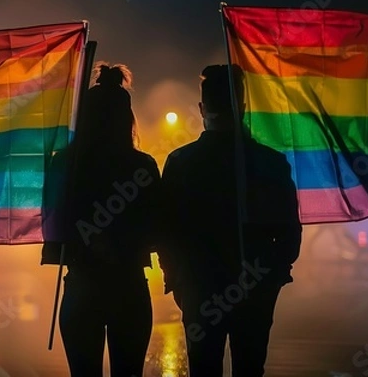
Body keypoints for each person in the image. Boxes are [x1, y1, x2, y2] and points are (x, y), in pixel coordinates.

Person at [159, 64, 302, 377]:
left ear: (202, 108)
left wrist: (179, 281)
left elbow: (165, 231)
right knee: (250, 369)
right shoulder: (270, 162)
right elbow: (290, 232)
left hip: (200, 286)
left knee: (204, 368)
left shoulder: (181, 162)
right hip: (254, 287)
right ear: (244, 107)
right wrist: (272, 276)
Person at [41, 63, 161, 377]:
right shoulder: (143, 166)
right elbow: (158, 227)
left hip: (81, 287)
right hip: (130, 288)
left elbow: (52, 222)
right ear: (127, 119)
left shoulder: (65, 164)